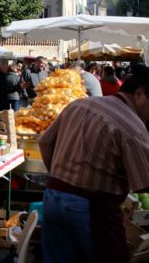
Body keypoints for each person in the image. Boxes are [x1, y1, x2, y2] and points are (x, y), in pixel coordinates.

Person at [39, 65, 149, 263]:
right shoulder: (133, 127)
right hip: (92, 208)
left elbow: (45, 142)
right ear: (140, 93)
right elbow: (145, 181)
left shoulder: (80, 104)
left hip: (53, 196)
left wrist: (59, 177)